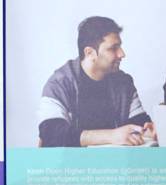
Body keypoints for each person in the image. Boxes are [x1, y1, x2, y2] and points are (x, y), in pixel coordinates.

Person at [38, 16, 154, 147]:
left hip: (115, 164)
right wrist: (112, 136)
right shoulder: (59, 84)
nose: (122, 54)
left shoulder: (124, 83)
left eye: (120, 46)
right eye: (113, 48)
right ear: (90, 53)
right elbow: (51, 134)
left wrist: (148, 130)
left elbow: (139, 123)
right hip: (72, 165)